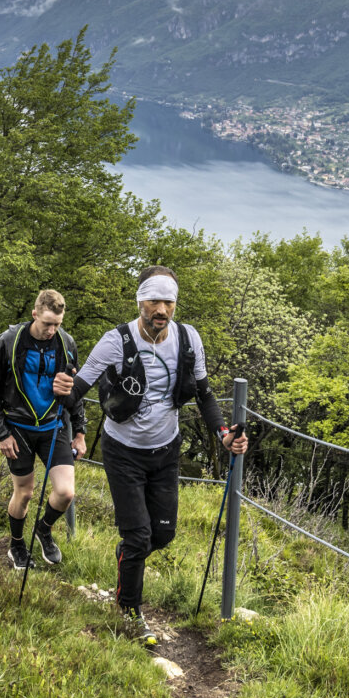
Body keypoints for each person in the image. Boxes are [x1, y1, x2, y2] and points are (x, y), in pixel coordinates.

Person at [53, 265, 246, 642]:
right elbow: (78, 389)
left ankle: (128, 557)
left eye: (168, 302)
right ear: (140, 300)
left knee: (164, 534)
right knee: (139, 537)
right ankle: (129, 612)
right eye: (154, 300)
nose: (162, 309)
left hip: (166, 450)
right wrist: (61, 389)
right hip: (123, 451)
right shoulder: (115, 340)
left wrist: (224, 435)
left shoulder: (188, 339)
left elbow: (205, 394)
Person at [0, 289, 85, 570]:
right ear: (34, 314)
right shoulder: (9, 341)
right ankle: (16, 544)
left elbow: (73, 391)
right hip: (18, 428)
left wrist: (79, 432)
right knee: (25, 493)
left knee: (65, 492)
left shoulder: (67, 344)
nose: (52, 330)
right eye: (47, 323)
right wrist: (1, 434)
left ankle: (43, 529)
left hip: (54, 426)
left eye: (57, 324)